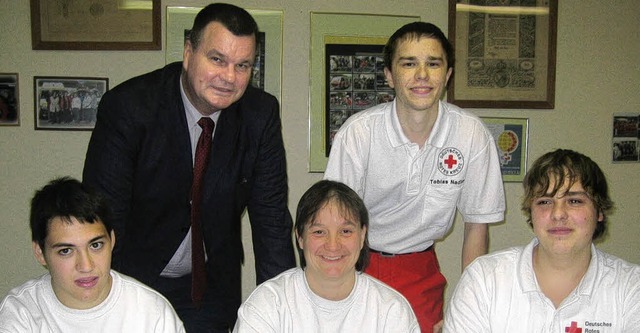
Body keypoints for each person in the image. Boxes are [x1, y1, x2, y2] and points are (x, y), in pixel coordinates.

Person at [82, 3, 296, 331]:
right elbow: (103, 216)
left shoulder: (259, 114)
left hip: (209, 287)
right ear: (188, 53)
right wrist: (106, 302)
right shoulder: (130, 107)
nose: (229, 77)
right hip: (135, 280)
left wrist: (283, 311)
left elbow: (271, 220)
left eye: (243, 65)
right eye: (217, 59)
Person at [323, 21, 505, 332]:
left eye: (433, 64)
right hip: (357, 263)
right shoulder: (358, 133)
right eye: (409, 63)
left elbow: (477, 227)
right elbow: (334, 223)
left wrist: (468, 308)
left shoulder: (471, 134)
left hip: (420, 269)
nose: (422, 75)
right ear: (389, 75)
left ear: (447, 74)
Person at [443, 149, 640, 332]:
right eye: (545, 202)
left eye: (574, 201)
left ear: (599, 211)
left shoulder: (631, 288)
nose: (558, 214)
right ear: (531, 211)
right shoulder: (483, 281)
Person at [0, 177, 185, 332]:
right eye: (66, 251)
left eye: (96, 245)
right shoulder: (20, 313)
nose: (86, 266)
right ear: (40, 253)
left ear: (112, 240)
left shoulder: (153, 313)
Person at [233, 180, 420, 332]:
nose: (333, 245)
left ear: (362, 236)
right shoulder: (268, 305)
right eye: (319, 232)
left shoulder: (391, 310)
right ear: (300, 237)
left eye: (345, 231)